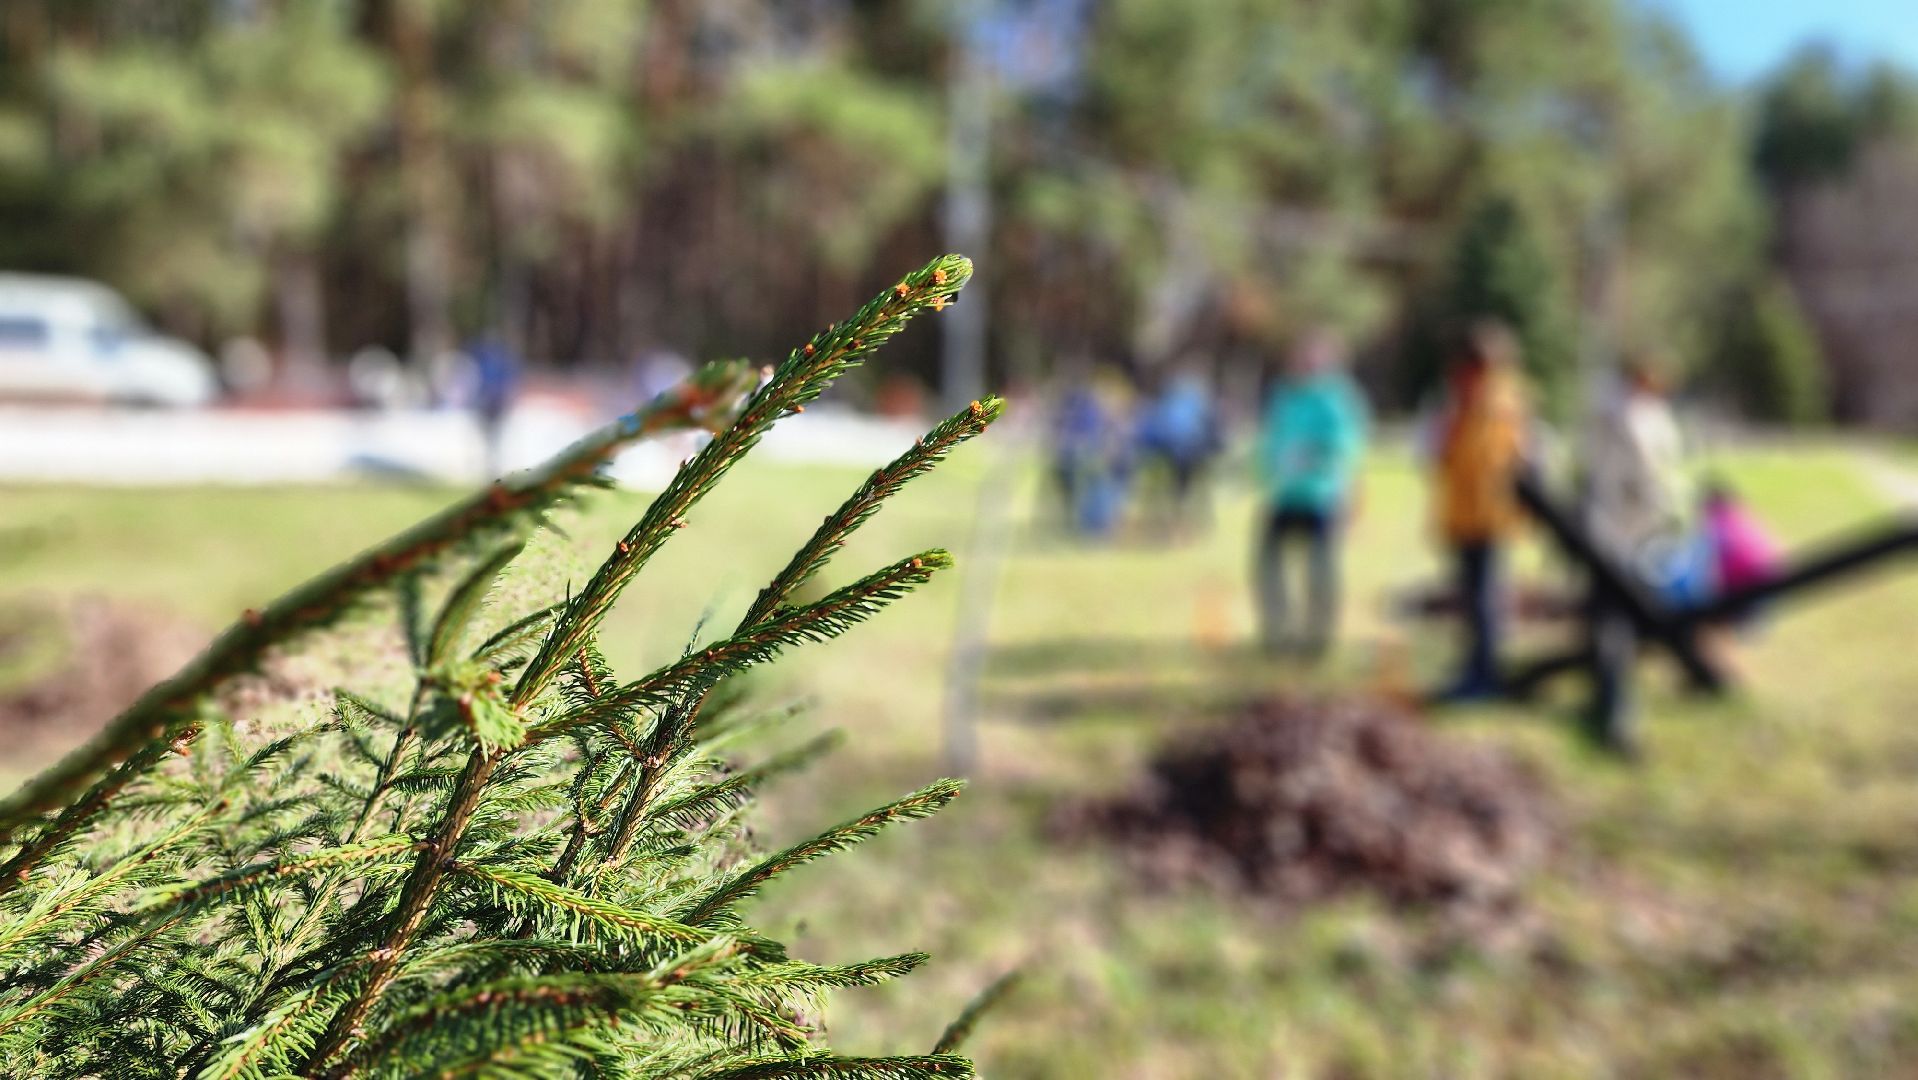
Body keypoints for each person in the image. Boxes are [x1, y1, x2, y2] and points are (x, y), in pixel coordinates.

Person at [1578, 355, 1688, 754]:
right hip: (1614, 529)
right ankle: (1614, 702)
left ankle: (1617, 693)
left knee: (1630, 611)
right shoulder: (1614, 413)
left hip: (1645, 528)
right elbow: (1607, 472)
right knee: (1612, 612)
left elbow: (1663, 470)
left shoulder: (1653, 415)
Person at [1429, 320, 1531, 701]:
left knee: (1485, 598)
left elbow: (1496, 460)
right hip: (1464, 514)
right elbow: (1446, 454)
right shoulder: (1462, 400)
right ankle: (1473, 666)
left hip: (1487, 516)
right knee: (1471, 597)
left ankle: (1485, 674)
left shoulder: (1499, 401)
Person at [1254, 329, 1370, 658]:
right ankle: (1278, 632)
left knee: (1321, 570)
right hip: (1285, 495)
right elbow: (1271, 441)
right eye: (1299, 355)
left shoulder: (1338, 398)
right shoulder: (1284, 394)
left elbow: (1347, 445)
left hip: (1322, 496)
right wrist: (1267, 471)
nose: (1303, 363)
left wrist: (1313, 457)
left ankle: (1317, 637)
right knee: (1269, 564)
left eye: (1311, 357)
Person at [1134, 362, 1221, 539]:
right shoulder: (1197, 399)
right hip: (1191, 452)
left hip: (1166, 453)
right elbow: (1211, 427)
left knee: (1171, 488)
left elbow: (1152, 426)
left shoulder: (1168, 398)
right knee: (1186, 489)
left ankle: (1174, 521)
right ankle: (1182, 523)